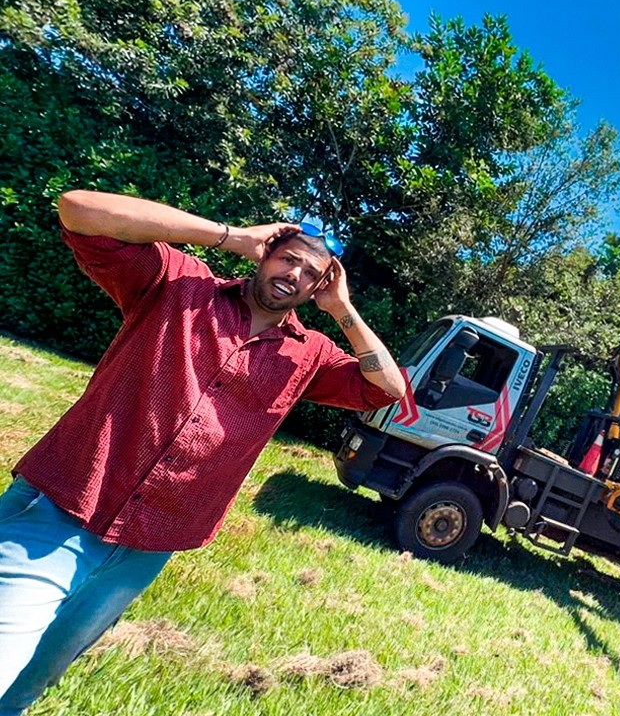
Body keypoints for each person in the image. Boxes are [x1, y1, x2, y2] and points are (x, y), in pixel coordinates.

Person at [0, 190, 407, 713]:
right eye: (288, 257)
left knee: (34, 679)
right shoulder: (177, 285)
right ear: (265, 252)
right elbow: (79, 211)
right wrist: (227, 236)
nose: (295, 275)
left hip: (147, 547)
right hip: (67, 507)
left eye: (311, 273)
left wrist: (343, 308)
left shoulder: (309, 354)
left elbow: (387, 389)